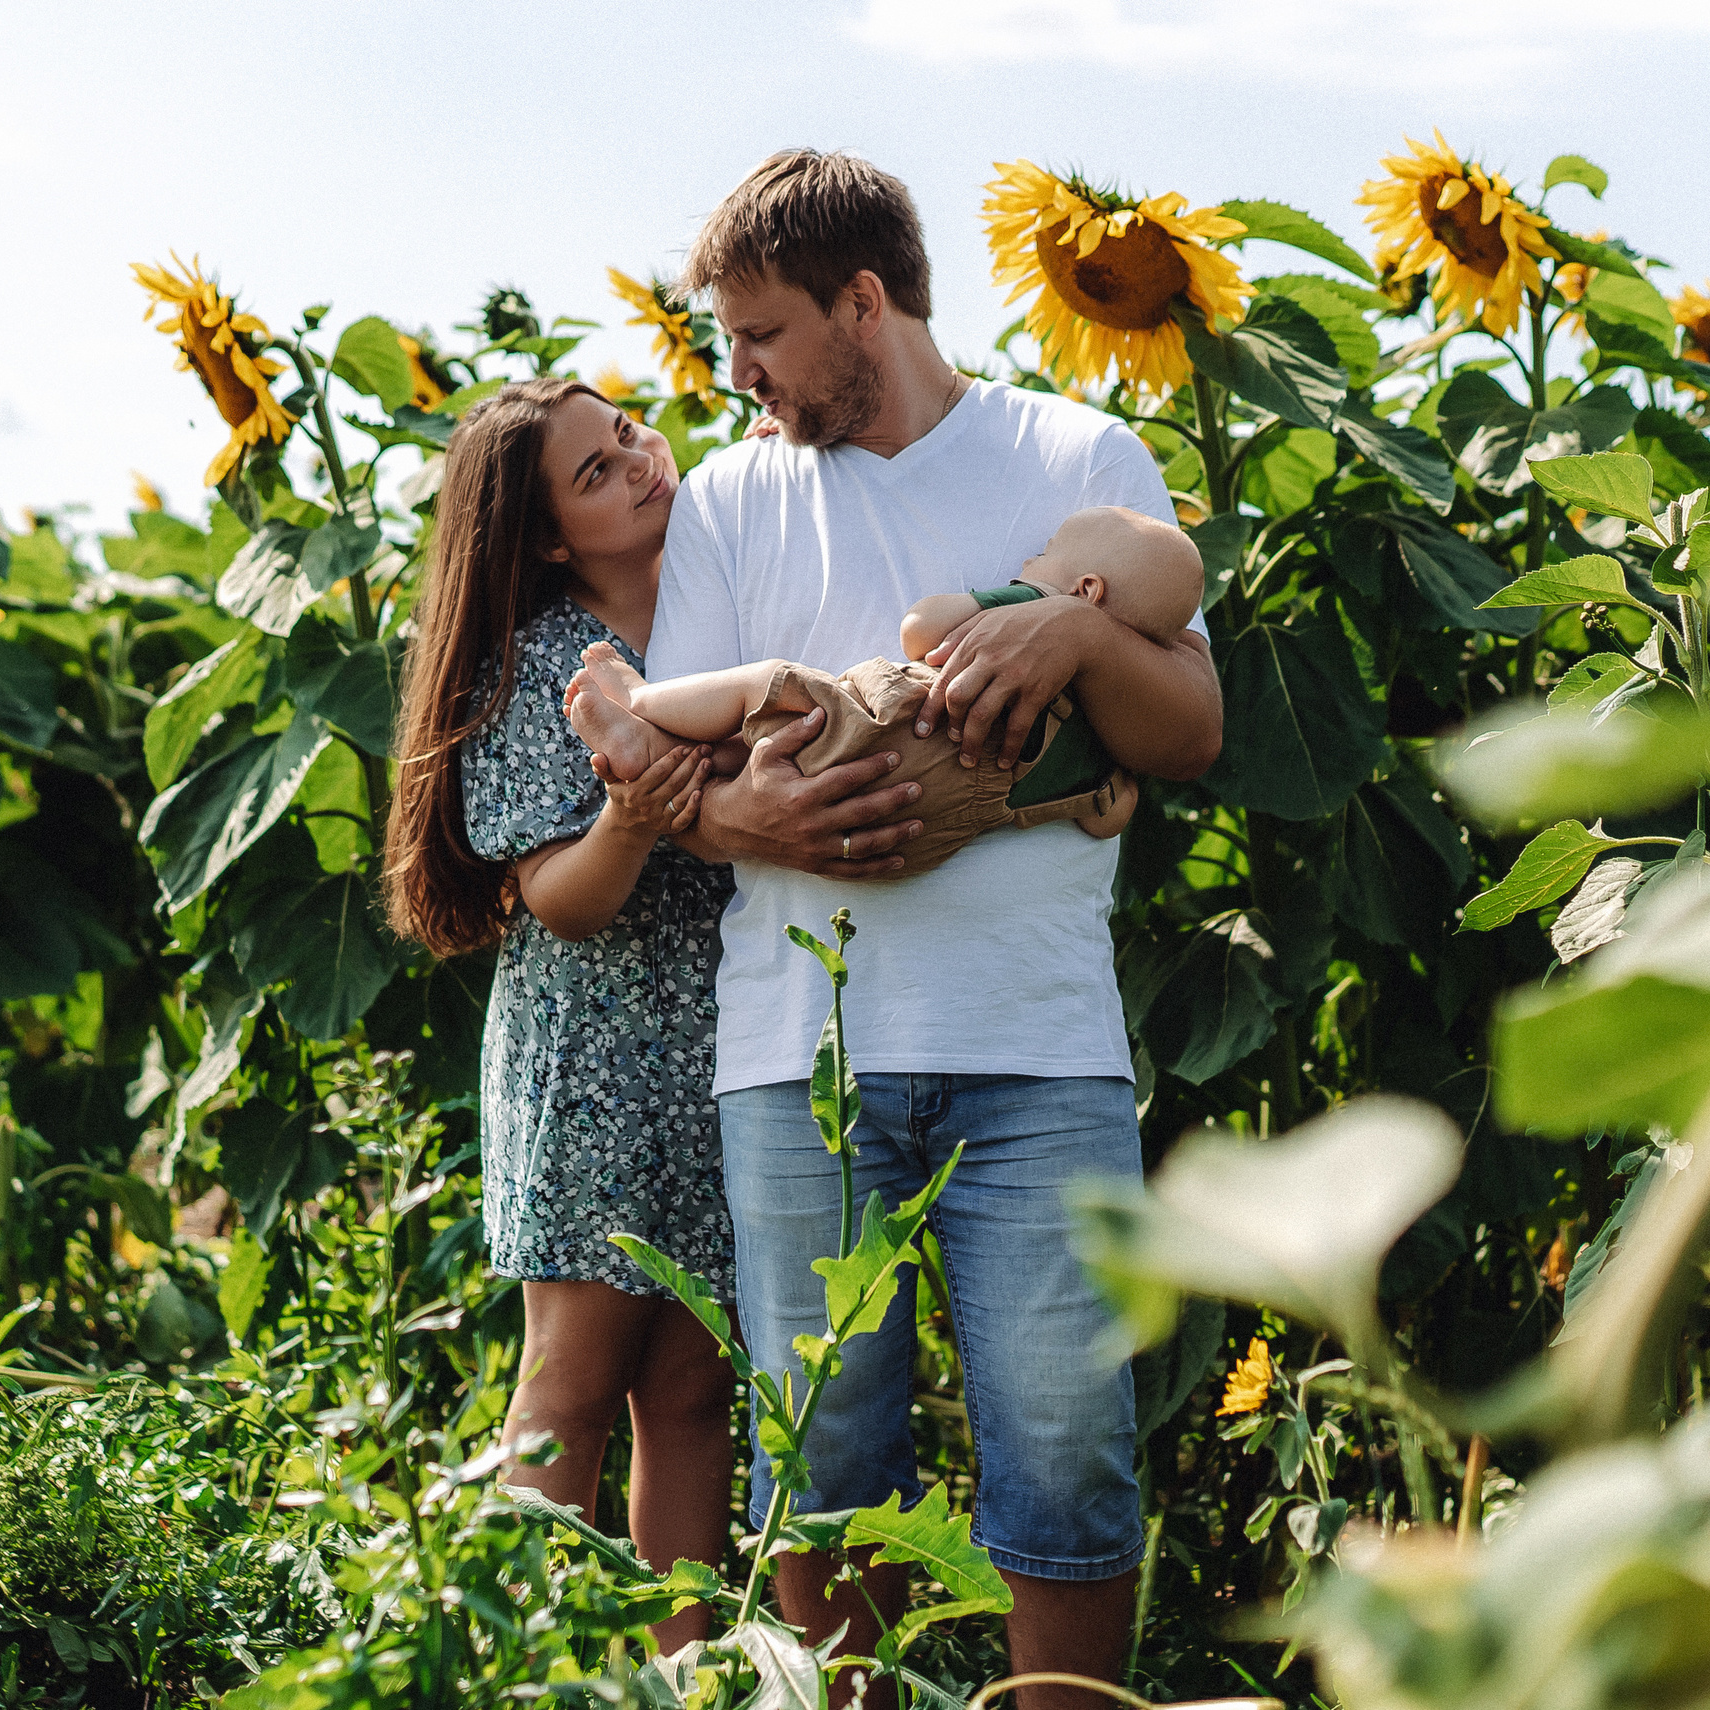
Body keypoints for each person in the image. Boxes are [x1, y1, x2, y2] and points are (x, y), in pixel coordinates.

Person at [644, 150, 1224, 1708]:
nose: (740, 372)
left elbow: (1191, 731)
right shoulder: (731, 497)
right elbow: (671, 773)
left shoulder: (1072, 453)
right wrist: (750, 819)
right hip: (800, 1057)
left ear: (862, 303)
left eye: (762, 334)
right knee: (824, 1463)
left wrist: (1074, 629)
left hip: (1037, 1045)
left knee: (1068, 1452)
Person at [381, 377, 735, 1653]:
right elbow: (560, 901)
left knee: (693, 1392)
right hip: (593, 1059)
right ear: (541, 541)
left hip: (724, 1049)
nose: (639, 460)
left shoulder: (720, 603)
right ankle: (526, 1665)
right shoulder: (538, 665)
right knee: (571, 1386)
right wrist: (630, 820)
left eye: (628, 432)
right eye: (596, 472)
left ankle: (683, 1673)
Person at [563, 504, 1204, 874]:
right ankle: (658, 750)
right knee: (768, 750)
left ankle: (644, 704)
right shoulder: (1105, 737)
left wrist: (1019, 598)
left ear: (1086, 590)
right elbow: (1107, 817)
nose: (1031, 560)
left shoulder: (1035, 612)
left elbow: (919, 630)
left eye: (1047, 551)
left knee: (766, 690)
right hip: (916, 831)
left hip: (894, 729)